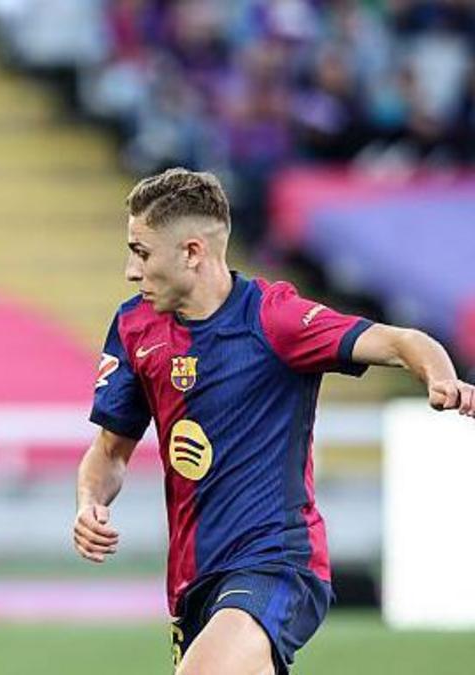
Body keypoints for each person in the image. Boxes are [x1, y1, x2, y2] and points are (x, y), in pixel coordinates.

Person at [74, 167, 475, 675]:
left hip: (277, 561)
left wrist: (440, 377)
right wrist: (90, 503)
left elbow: (401, 341)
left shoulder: (274, 320)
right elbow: (109, 451)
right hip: (193, 580)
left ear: (193, 252)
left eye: (142, 252)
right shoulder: (135, 327)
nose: (131, 271)